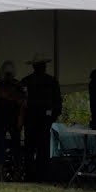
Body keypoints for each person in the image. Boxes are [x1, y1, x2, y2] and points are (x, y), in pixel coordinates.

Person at [20, 54, 62, 183]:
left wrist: (52, 116)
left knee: (39, 147)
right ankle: (34, 175)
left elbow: (57, 102)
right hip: (34, 118)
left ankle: (38, 175)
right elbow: (22, 102)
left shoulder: (50, 82)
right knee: (34, 147)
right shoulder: (28, 81)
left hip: (41, 119)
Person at [0, 61, 25, 182]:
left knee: (16, 147)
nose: (8, 76)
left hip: (13, 120)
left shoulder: (18, 85)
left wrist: (20, 120)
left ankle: (17, 173)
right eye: (7, 74)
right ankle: (1, 174)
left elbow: (22, 103)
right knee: (0, 146)